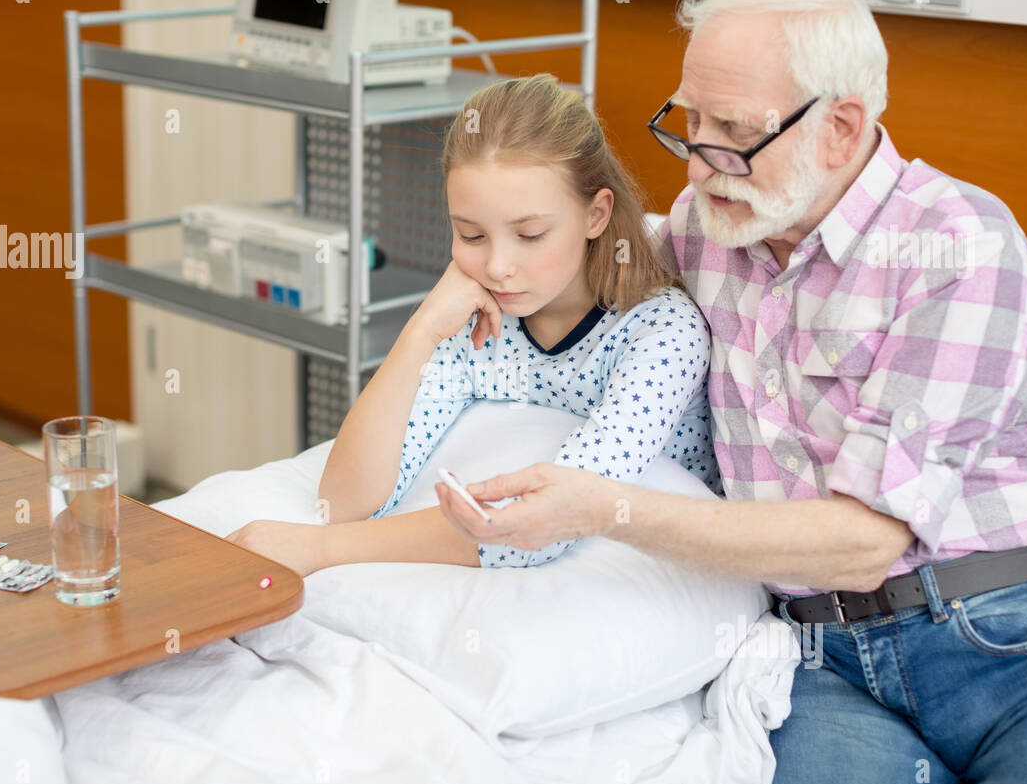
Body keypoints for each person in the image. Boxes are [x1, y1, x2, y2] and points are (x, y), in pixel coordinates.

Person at [433, 0, 1027, 784]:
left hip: (1018, 631)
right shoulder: (709, 223)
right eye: (689, 121)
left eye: (733, 132)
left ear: (840, 128)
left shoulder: (958, 247)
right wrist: (463, 275)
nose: (698, 161)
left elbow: (865, 540)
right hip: (825, 656)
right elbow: (568, 257)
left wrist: (601, 508)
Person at [228, 74, 717, 573]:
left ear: (596, 215)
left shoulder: (661, 334)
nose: (498, 266)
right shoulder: (478, 323)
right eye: (471, 234)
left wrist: (321, 551)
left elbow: (547, 521)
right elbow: (344, 503)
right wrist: (421, 330)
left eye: (529, 235)